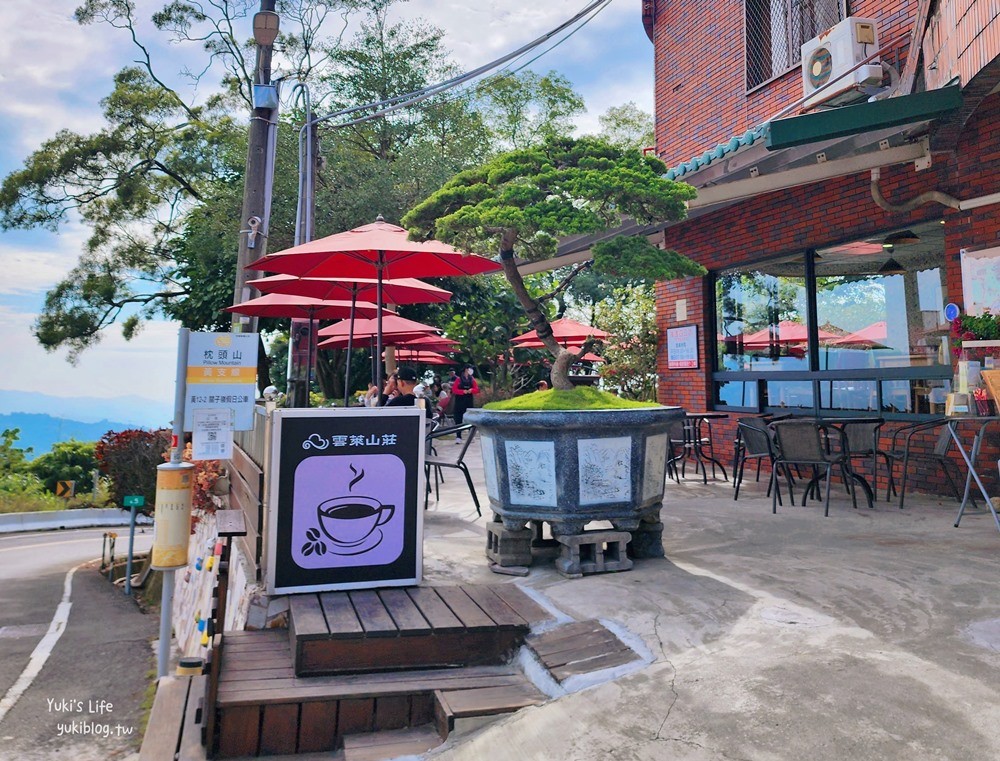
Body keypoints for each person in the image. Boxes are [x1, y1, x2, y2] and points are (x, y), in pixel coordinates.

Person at [450, 365, 479, 440]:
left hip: (468, 401)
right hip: (459, 401)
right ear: (466, 370)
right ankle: (458, 436)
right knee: (458, 418)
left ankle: (471, 435)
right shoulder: (458, 380)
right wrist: (462, 391)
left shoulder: (472, 379)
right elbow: (454, 390)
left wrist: (471, 390)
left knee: (470, 418)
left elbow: (476, 389)